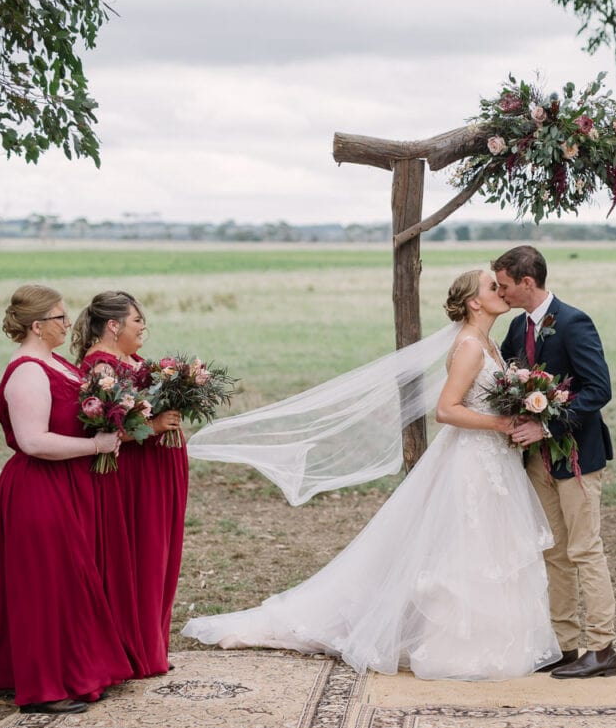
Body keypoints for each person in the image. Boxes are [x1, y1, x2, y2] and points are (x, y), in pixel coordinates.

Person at [182, 270, 561, 680]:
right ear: (473, 302)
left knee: (492, 548)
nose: (500, 292)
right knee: (466, 548)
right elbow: (446, 409)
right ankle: (458, 647)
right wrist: (501, 425)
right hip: (472, 460)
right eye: (492, 288)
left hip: (493, 460)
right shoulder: (470, 347)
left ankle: (495, 641)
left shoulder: (488, 343)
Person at [0, 285, 131, 714]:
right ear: (37, 326)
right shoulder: (26, 372)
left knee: (68, 583)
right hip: (40, 489)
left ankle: (65, 669)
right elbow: (33, 441)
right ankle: (43, 688)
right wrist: (96, 446)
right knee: (46, 587)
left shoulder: (53, 361)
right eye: (59, 317)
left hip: (69, 486)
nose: (67, 323)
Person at [493, 245, 616, 679]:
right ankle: (565, 646)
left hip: (577, 457)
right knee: (555, 553)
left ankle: (602, 648)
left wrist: (546, 426)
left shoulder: (573, 322)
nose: (500, 292)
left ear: (528, 283)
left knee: (585, 549)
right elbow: (511, 381)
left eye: (505, 285)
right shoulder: (515, 327)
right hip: (536, 462)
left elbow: (598, 390)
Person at [73, 291, 186, 677]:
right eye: (138, 321)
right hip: (133, 479)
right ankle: (132, 650)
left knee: (159, 559)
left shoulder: (131, 360)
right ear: (113, 325)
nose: (144, 328)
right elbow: (108, 430)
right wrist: (154, 426)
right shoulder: (100, 367)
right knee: (139, 558)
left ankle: (150, 644)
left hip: (156, 473)